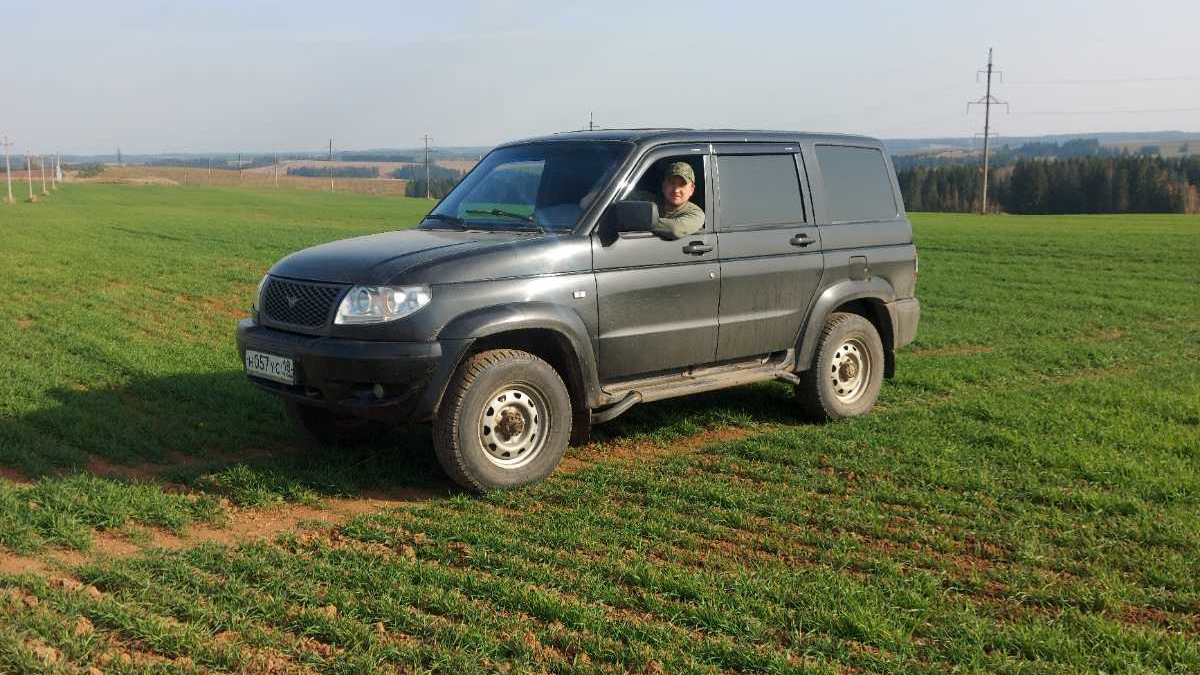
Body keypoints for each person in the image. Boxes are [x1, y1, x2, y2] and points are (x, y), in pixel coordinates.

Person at [628, 161, 705, 240]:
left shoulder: (696, 214)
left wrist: (637, 220)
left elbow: (675, 229)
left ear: (691, 189)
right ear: (664, 186)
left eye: (682, 185)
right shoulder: (648, 200)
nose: (676, 190)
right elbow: (625, 198)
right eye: (672, 183)